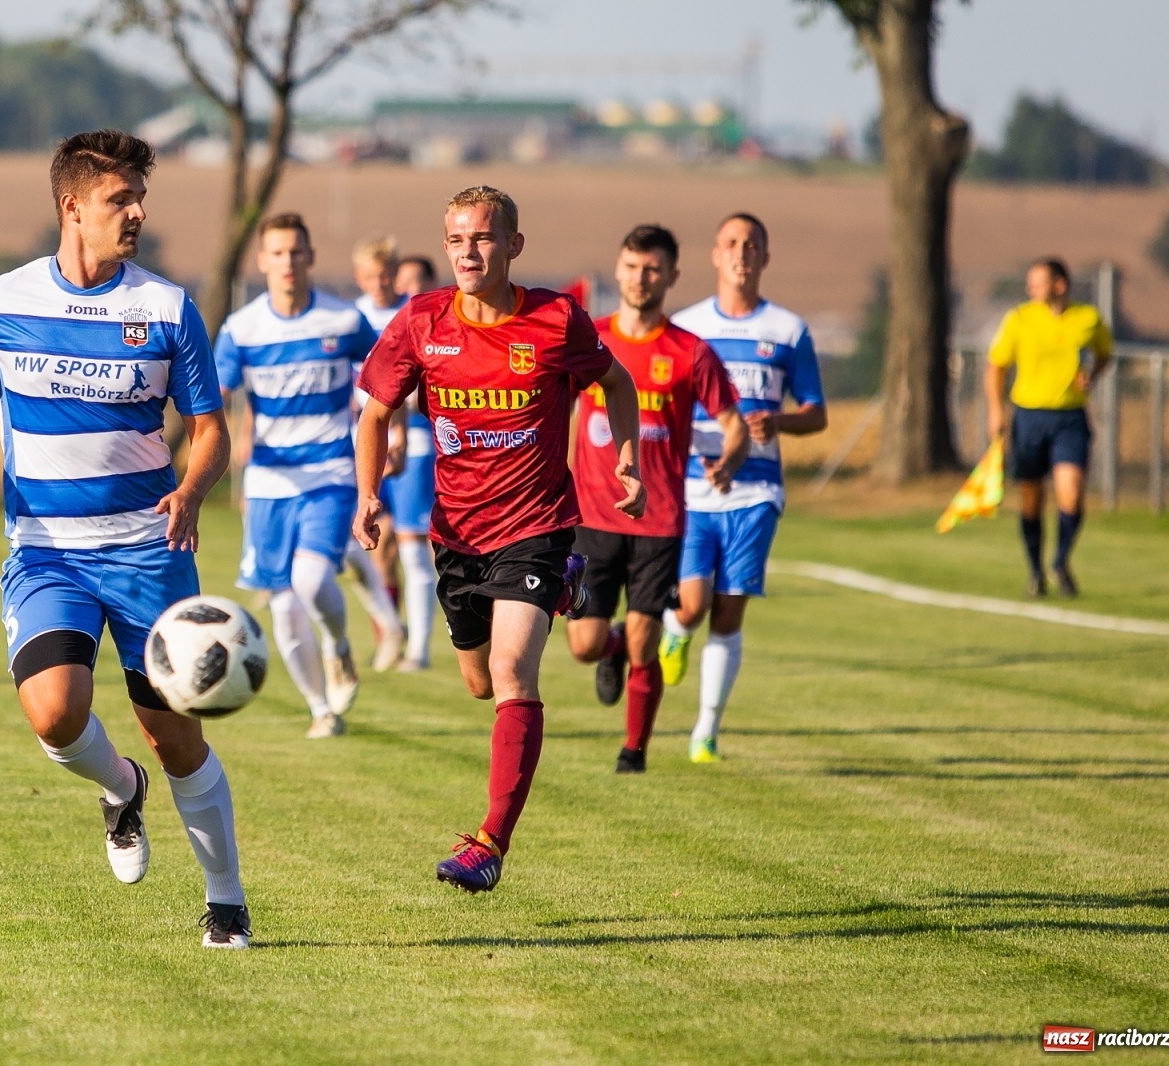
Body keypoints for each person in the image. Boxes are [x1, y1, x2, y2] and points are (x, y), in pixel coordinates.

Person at [0, 129, 251, 948]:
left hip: (149, 551)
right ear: (72, 207)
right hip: (47, 554)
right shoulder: (0, 300)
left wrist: (193, 487)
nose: (135, 212)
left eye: (140, 198)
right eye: (118, 200)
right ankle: (118, 790)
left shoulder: (167, 309)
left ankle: (226, 899)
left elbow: (210, 429)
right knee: (55, 713)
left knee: (177, 739)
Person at [354, 185, 646, 893]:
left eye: (482, 239)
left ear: (513, 245)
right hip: (455, 532)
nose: (467, 253)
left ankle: (489, 843)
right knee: (480, 681)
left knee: (515, 672)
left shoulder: (554, 319)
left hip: (537, 525)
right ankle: (568, 601)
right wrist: (368, 493)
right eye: (456, 240)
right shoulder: (421, 322)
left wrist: (628, 457)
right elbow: (374, 414)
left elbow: (616, 382)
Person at [566, 224, 747, 774]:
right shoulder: (588, 340)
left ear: (669, 276)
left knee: (649, 638)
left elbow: (732, 423)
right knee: (584, 644)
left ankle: (634, 750)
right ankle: (612, 646)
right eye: (631, 266)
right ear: (617, 269)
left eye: (652, 269)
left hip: (660, 519)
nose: (640, 278)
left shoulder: (689, 352)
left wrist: (730, 460)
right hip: (592, 516)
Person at [661, 212, 827, 764]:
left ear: (764, 258)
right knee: (692, 604)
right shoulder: (684, 328)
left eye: (751, 244)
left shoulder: (787, 330)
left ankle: (705, 731)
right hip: (691, 487)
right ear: (714, 255)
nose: (741, 253)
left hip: (755, 491)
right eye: (731, 243)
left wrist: (778, 424)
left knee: (729, 612)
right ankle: (676, 628)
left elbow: (816, 414)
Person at [215, 213, 377, 739]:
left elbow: (385, 377)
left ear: (310, 257)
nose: (287, 262)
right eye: (277, 253)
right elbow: (214, 399)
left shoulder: (343, 320)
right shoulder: (241, 329)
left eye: (295, 252)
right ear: (262, 261)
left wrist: (388, 436)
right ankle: (320, 709)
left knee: (310, 581)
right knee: (283, 608)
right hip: (268, 485)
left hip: (329, 473)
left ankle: (338, 645)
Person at [985, 258, 1112, 598]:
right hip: (1029, 417)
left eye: (1037, 282)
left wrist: (1092, 375)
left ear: (1059, 284)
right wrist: (996, 410)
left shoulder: (1087, 318)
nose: (1031, 289)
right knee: (1031, 499)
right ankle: (1035, 570)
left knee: (1071, 493)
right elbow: (996, 366)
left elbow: (1104, 353)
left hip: (1070, 417)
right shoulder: (1020, 319)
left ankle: (1060, 561)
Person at [369, 247, 442, 671]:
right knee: (376, 551)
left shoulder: (442, 330)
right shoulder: (387, 323)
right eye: (405, 284)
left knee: (415, 552)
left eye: (420, 283)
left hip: (417, 449)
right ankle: (391, 632)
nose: (411, 291)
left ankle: (419, 649)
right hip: (378, 445)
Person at [342, 236, 408, 670]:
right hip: (358, 437)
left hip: (406, 435)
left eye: (384, 274)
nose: (378, 283)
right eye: (369, 276)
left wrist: (399, 434)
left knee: (403, 545)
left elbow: (396, 383)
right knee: (370, 544)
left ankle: (399, 627)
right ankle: (387, 628)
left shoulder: (409, 314)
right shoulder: (353, 318)